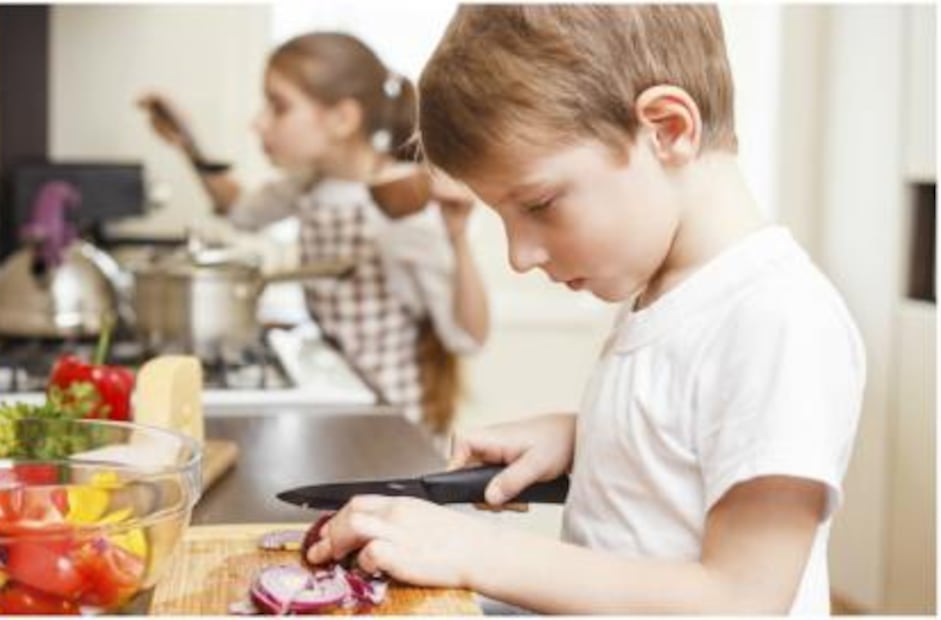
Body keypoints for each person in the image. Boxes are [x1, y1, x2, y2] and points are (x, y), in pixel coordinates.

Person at [303, 5, 866, 614]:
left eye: (539, 204)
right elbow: (693, 439)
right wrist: (590, 437)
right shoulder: (672, 291)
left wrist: (476, 551)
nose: (520, 256)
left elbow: (739, 601)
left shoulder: (777, 320)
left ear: (666, 130)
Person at [138, 32, 489, 433]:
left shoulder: (398, 203)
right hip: (338, 408)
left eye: (278, 106)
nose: (258, 123)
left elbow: (466, 337)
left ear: (342, 119)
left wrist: (457, 237)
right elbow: (242, 211)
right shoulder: (308, 185)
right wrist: (189, 145)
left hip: (392, 426)